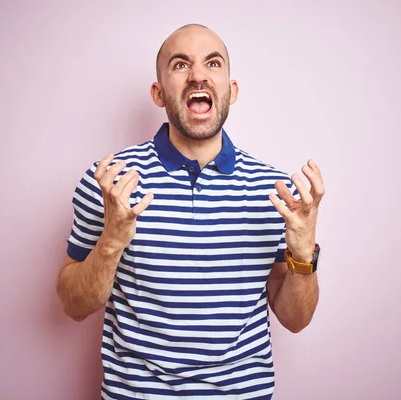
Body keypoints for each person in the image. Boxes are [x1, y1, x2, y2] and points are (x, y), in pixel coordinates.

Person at [56, 23, 325, 399]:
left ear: (231, 90)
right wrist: (112, 240)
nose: (198, 75)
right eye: (180, 65)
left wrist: (302, 252)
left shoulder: (276, 191)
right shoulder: (110, 184)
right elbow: (73, 305)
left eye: (213, 63)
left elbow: (295, 320)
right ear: (158, 92)